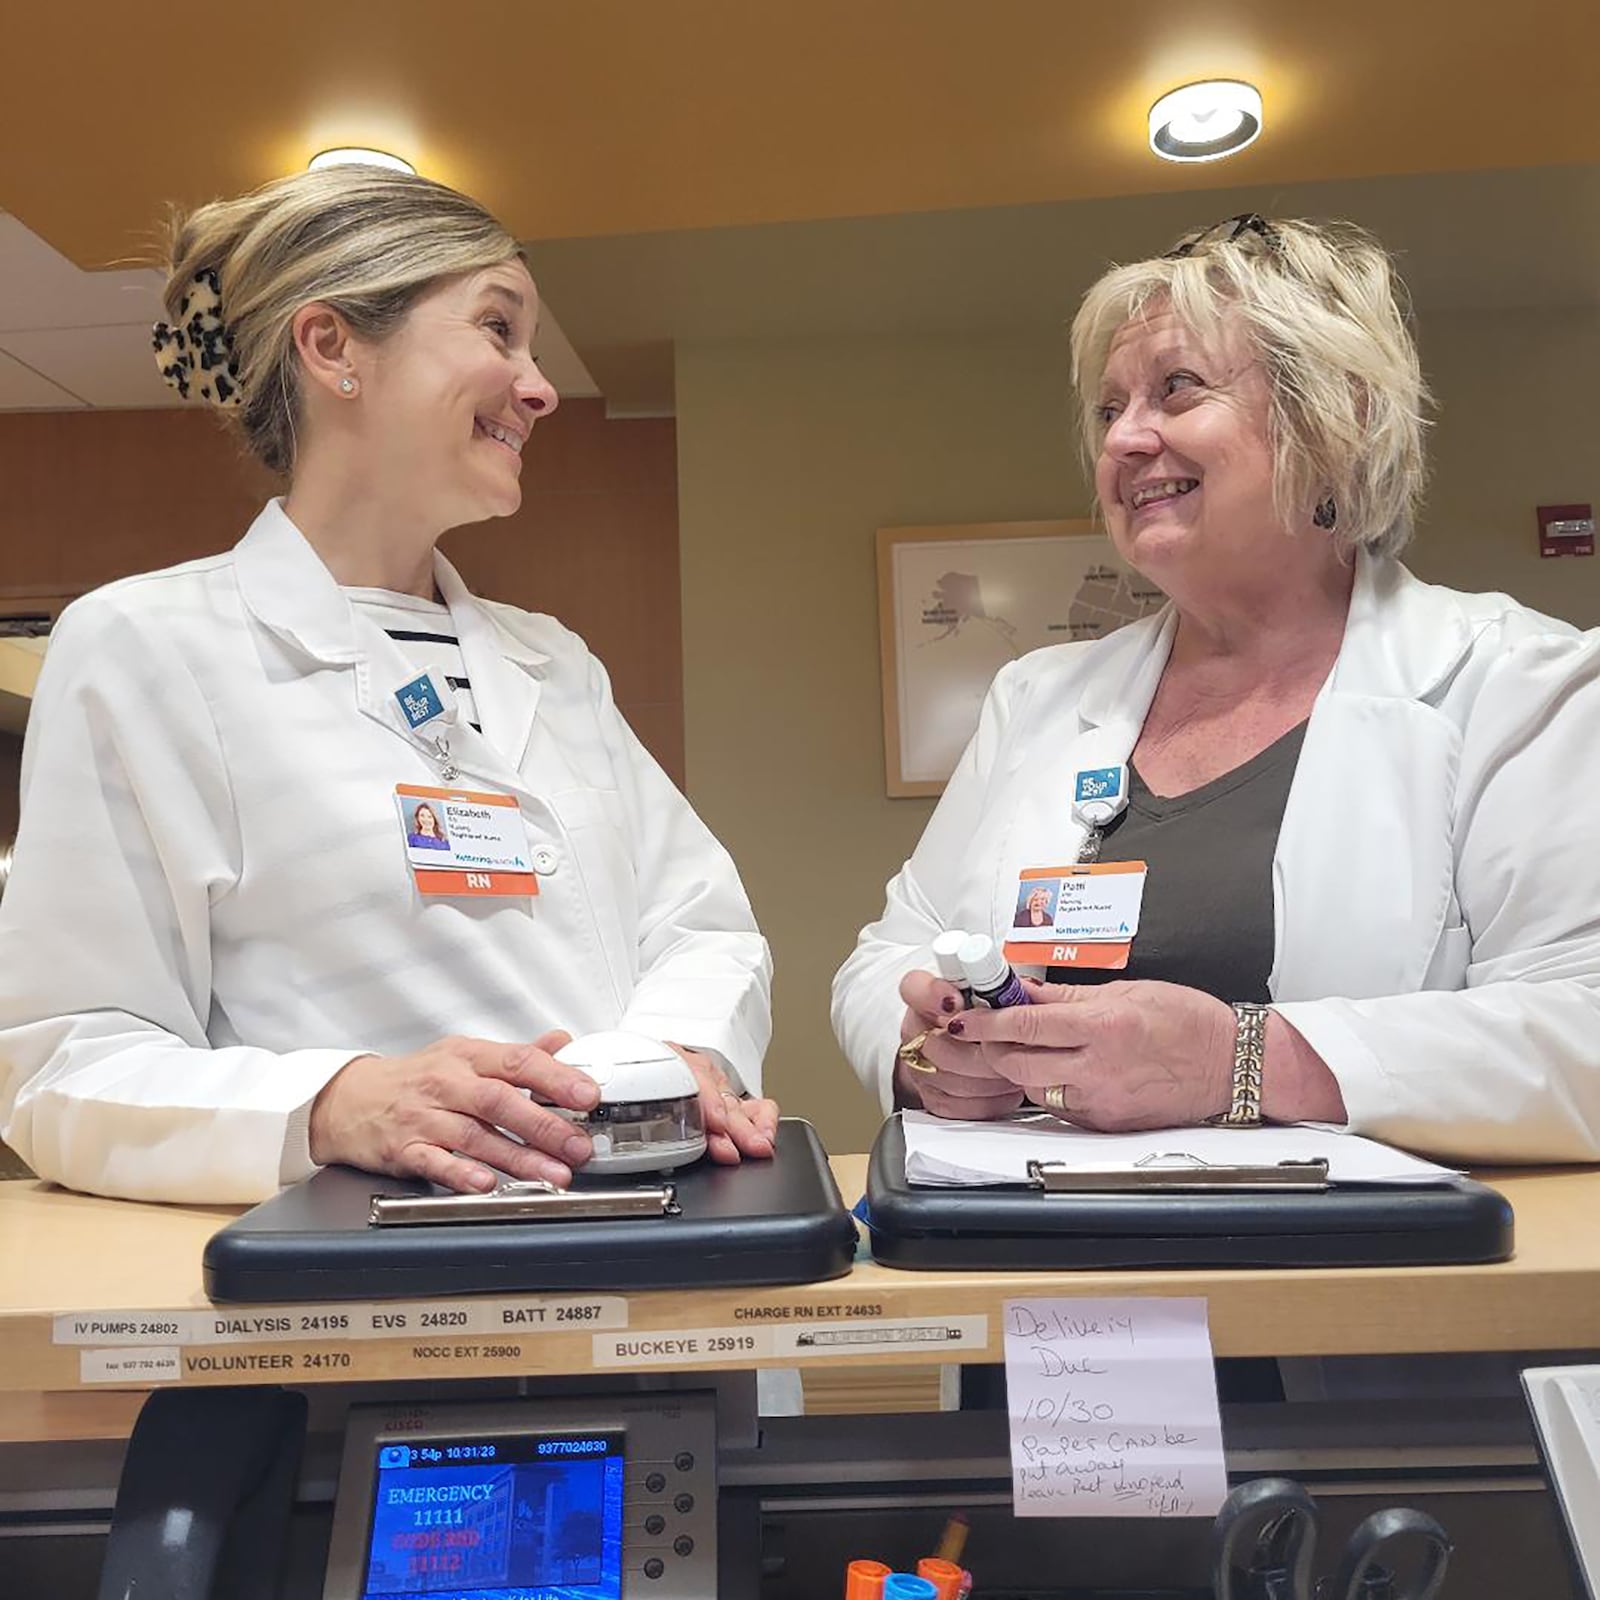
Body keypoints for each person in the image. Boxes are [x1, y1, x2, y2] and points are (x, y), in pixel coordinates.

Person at [0, 166, 777, 1204]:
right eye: (498, 331)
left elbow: (701, 927)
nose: (540, 386)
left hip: (644, 1236)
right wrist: (335, 1102)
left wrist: (679, 1058)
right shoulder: (148, 646)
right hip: (355, 1310)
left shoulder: (553, 660)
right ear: (332, 348)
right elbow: (64, 1065)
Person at [832, 213, 1600, 1162]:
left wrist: (1237, 1062)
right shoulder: (1036, 698)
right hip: (1044, 1266)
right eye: (1108, 411)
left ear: (1338, 416)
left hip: (1355, 1283)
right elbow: (889, 954)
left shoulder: (1516, 684)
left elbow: (1584, 1025)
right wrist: (927, 1057)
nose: (1124, 441)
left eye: (1176, 390)